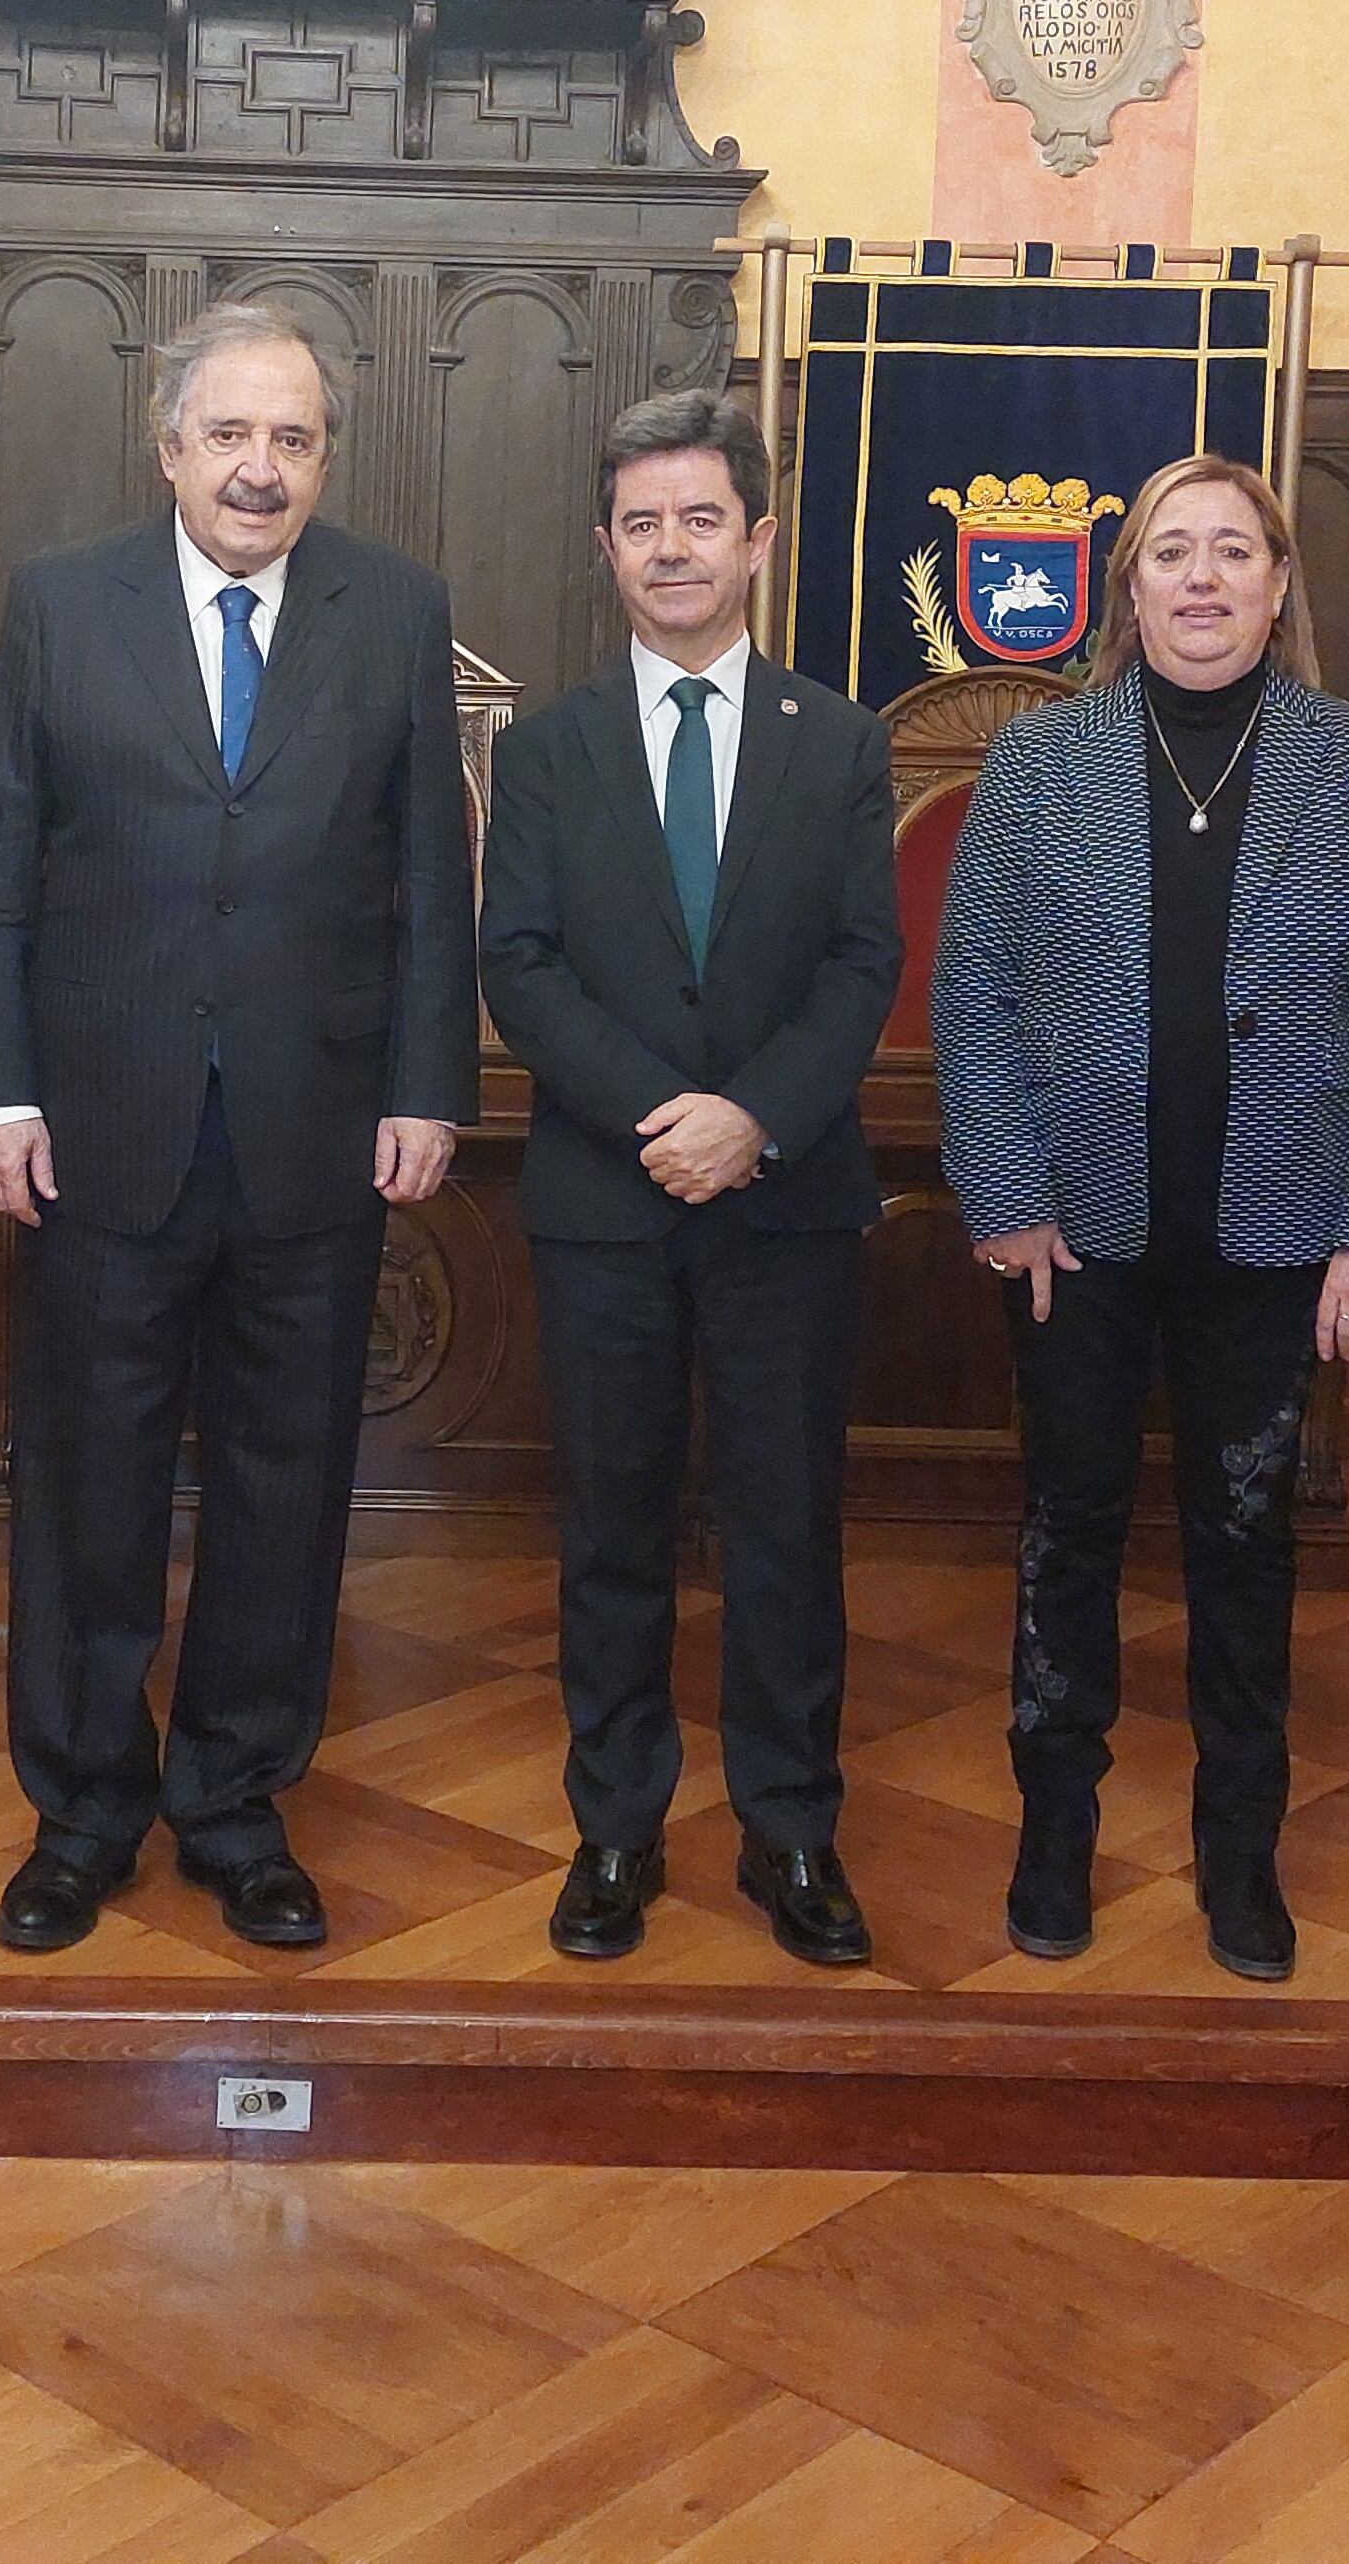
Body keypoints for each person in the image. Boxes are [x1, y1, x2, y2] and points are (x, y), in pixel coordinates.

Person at [0, 302, 476, 1955]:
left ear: (327, 457)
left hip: (318, 1130)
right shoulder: (59, 606)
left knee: (286, 1477)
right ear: (168, 446)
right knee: (88, 1478)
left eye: (295, 439)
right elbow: (5, 871)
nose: (262, 470)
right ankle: (85, 1804)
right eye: (231, 437)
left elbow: (427, 882)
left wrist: (427, 1082)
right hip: (99, 1127)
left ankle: (238, 1801)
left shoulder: (392, 611)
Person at [930, 453, 1349, 1982]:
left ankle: (1244, 1856)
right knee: (1068, 1530)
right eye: (1174, 552)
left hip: (1278, 1240)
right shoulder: (1039, 768)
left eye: (1236, 552)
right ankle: (1055, 1833)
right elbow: (971, 992)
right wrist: (1009, 1194)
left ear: (1281, 582)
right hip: (1075, 1241)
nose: (1205, 578)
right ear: (1131, 583)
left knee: (1245, 1543)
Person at [479, 392, 901, 1967]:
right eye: (642, 524)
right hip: (605, 1201)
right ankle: (616, 1829)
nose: (672, 548)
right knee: (614, 1528)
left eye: (700, 520)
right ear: (608, 549)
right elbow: (516, 967)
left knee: (788, 1526)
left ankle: (793, 1830)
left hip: (787, 1202)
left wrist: (754, 1121)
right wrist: (669, 1114)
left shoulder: (842, 743)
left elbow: (864, 966)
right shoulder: (547, 751)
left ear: (758, 543)